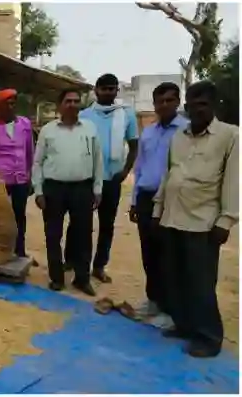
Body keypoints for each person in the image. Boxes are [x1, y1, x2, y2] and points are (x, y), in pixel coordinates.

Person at [154, 81, 238, 358]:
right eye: (191, 104)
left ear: (214, 105)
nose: (196, 109)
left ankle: (209, 337)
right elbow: (169, 175)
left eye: (202, 104)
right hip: (172, 217)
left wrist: (226, 220)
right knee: (176, 278)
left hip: (203, 223)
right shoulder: (179, 135)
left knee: (201, 283)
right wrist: (158, 211)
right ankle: (185, 325)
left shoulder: (230, 136)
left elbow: (233, 182)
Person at [32, 89, 103, 296]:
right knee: (53, 234)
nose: (72, 104)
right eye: (67, 101)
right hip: (54, 188)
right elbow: (37, 162)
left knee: (83, 234)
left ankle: (82, 278)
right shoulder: (48, 130)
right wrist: (38, 190)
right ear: (59, 105)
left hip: (82, 188)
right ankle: (56, 278)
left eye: (75, 101)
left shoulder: (89, 129)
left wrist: (97, 188)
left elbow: (97, 160)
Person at [128, 82, 188, 326]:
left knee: (170, 255)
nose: (164, 105)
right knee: (149, 253)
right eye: (160, 101)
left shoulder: (186, 131)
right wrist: (133, 201)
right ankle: (153, 301)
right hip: (145, 198)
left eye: (170, 100)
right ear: (154, 104)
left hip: (172, 201)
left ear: (178, 102)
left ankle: (171, 309)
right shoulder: (149, 132)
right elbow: (140, 167)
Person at [69, 73, 138, 283]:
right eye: (104, 88)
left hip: (112, 179)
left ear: (117, 91)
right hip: (87, 178)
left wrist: (125, 171)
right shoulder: (85, 115)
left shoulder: (126, 115)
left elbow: (134, 145)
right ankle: (71, 259)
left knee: (106, 225)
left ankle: (99, 266)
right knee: (79, 223)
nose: (108, 92)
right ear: (96, 90)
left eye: (112, 88)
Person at [0, 89, 34, 258]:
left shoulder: (24, 124)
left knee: (20, 216)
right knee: (1, 217)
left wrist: (29, 175)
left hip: (21, 179)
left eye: (13, 103)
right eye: (7, 103)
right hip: (0, 181)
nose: (11, 107)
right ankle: (2, 251)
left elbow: (29, 152)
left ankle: (20, 251)